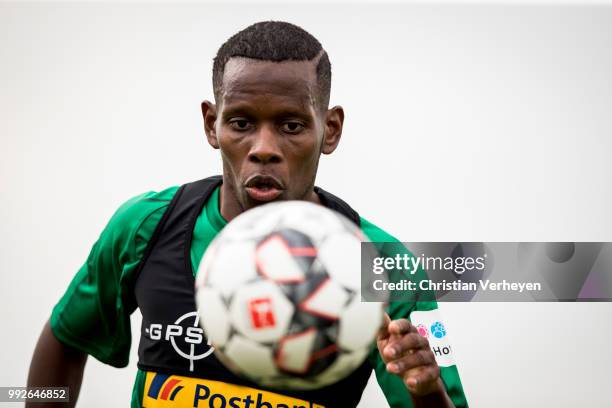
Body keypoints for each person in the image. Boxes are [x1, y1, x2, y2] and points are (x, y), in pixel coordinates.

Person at [27, 21, 468, 408]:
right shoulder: (145, 226)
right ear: (211, 124)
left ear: (329, 129)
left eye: (291, 125)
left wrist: (426, 390)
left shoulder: (382, 265)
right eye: (240, 123)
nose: (263, 148)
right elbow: (65, 338)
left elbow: (437, 398)